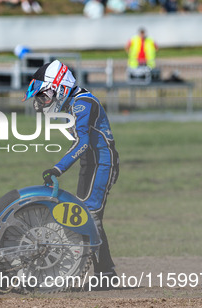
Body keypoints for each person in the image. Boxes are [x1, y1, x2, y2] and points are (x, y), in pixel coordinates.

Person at [22, 60, 120, 288]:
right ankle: (107, 272)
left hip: (102, 163)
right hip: (91, 163)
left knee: (90, 216)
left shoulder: (82, 103)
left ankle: (104, 274)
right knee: (87, 215)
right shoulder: (74, 103)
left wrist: (58, 168)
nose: (43, 100)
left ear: (61, 86)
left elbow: (82, 142)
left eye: (45, 94)